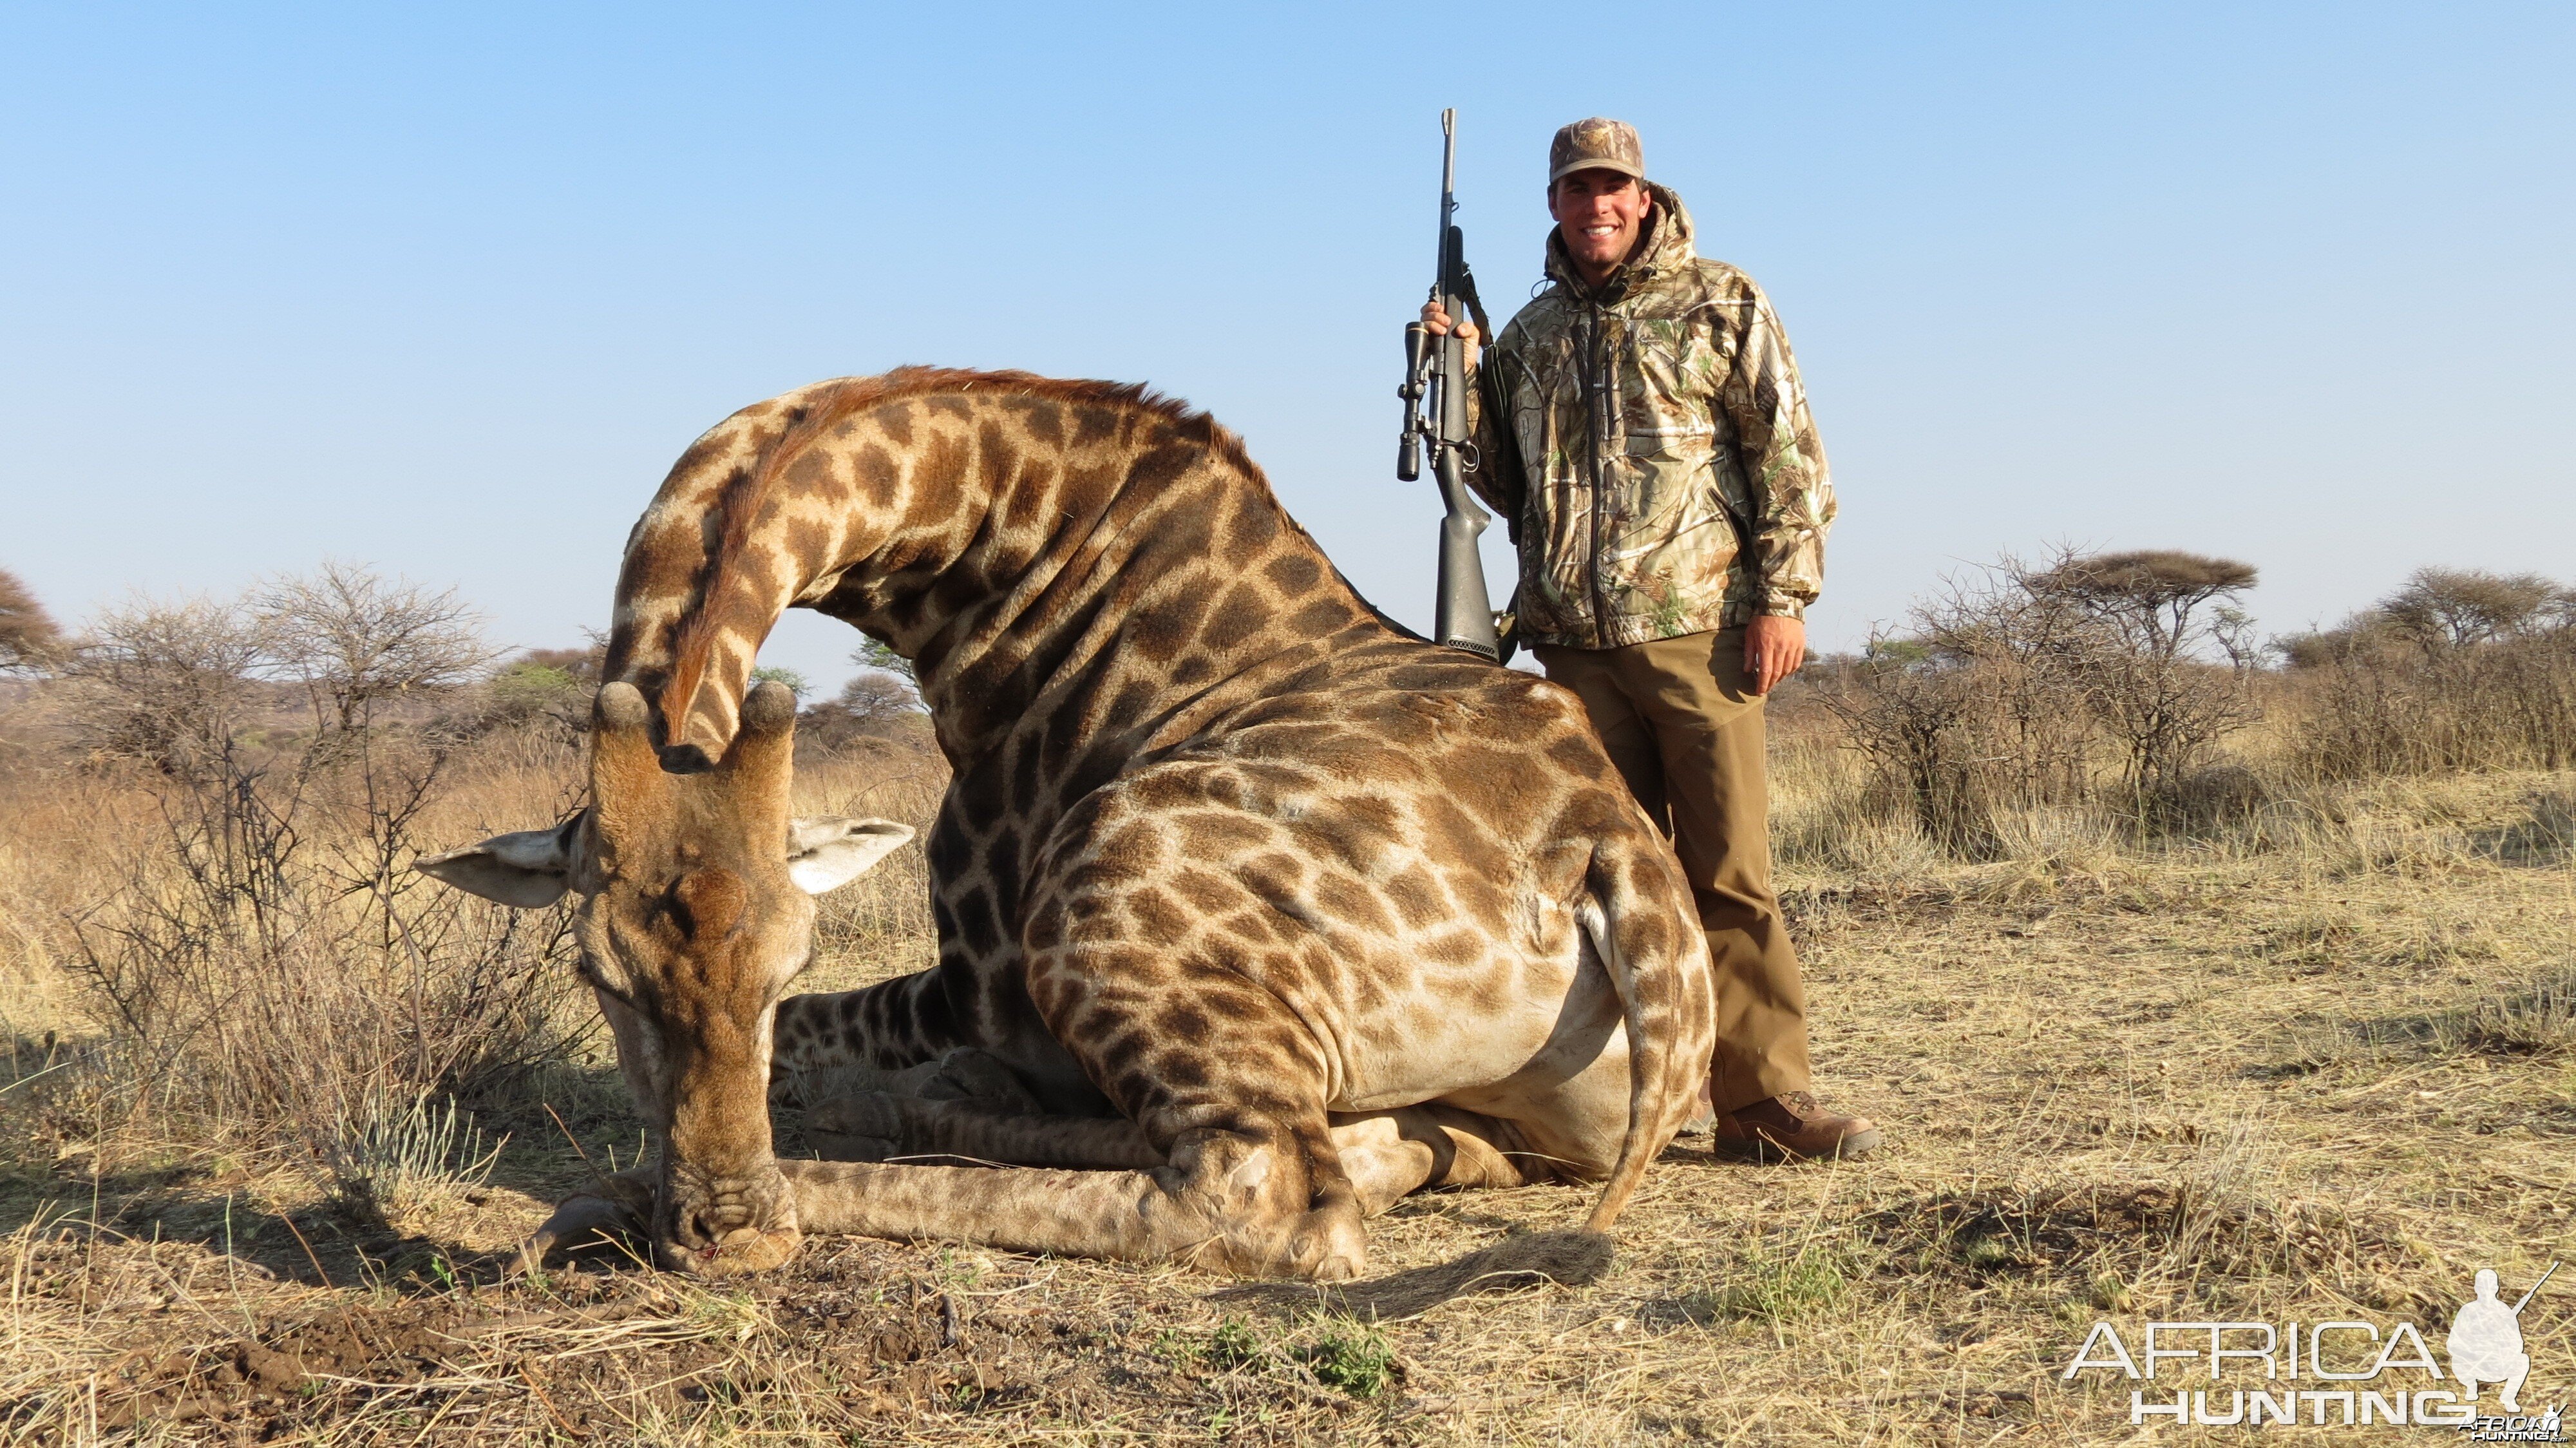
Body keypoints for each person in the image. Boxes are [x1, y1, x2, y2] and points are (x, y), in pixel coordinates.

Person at [1422, 117, 1877, 1159]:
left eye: (1612, 188)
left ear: (1643, 196)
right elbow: (1506, 484)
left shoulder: (1722, 300)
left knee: (1728, 874)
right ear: (1555, 204)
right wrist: (1462, 370)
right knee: (1596, 889)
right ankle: (1602, 1109)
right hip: (1575, 650)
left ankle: (1761, 1104)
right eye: (1577, 190)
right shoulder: (1532, 334)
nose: (1596, 206)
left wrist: (1784, 598)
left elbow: (1789, 456)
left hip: (1701, 635)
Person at [2448, 1269, 2532, 1412]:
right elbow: (2453, 1343)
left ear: (2496, 1288)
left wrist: (2502, 1349)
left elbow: (2518, 1343)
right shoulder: (2468, 1311)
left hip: (2498, 1365)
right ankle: (2471, 1387)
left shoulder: (2504, 1311)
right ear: (2476, 1288)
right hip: (2473, 1365)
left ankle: (2508, 1397)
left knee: (2523, 1360)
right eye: (2482, 1287)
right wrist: (2473, 1350)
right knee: (2457, 1360)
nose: (2486, 1292)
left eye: (2490, 1287)